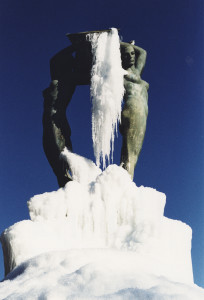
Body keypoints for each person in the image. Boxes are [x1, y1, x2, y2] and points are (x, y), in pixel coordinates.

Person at [120, 42, 149, 179]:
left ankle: (122, 180)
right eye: (126, 55)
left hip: (140, 111)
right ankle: (126, 183)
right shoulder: (121, 73)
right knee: (131, 153)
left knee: (132, 151)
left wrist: (122, 43)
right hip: (133, 108)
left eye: (132, 53)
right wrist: (115, 43)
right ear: (121, 58)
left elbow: (143, 52)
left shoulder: (136, 72)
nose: (131, 57)